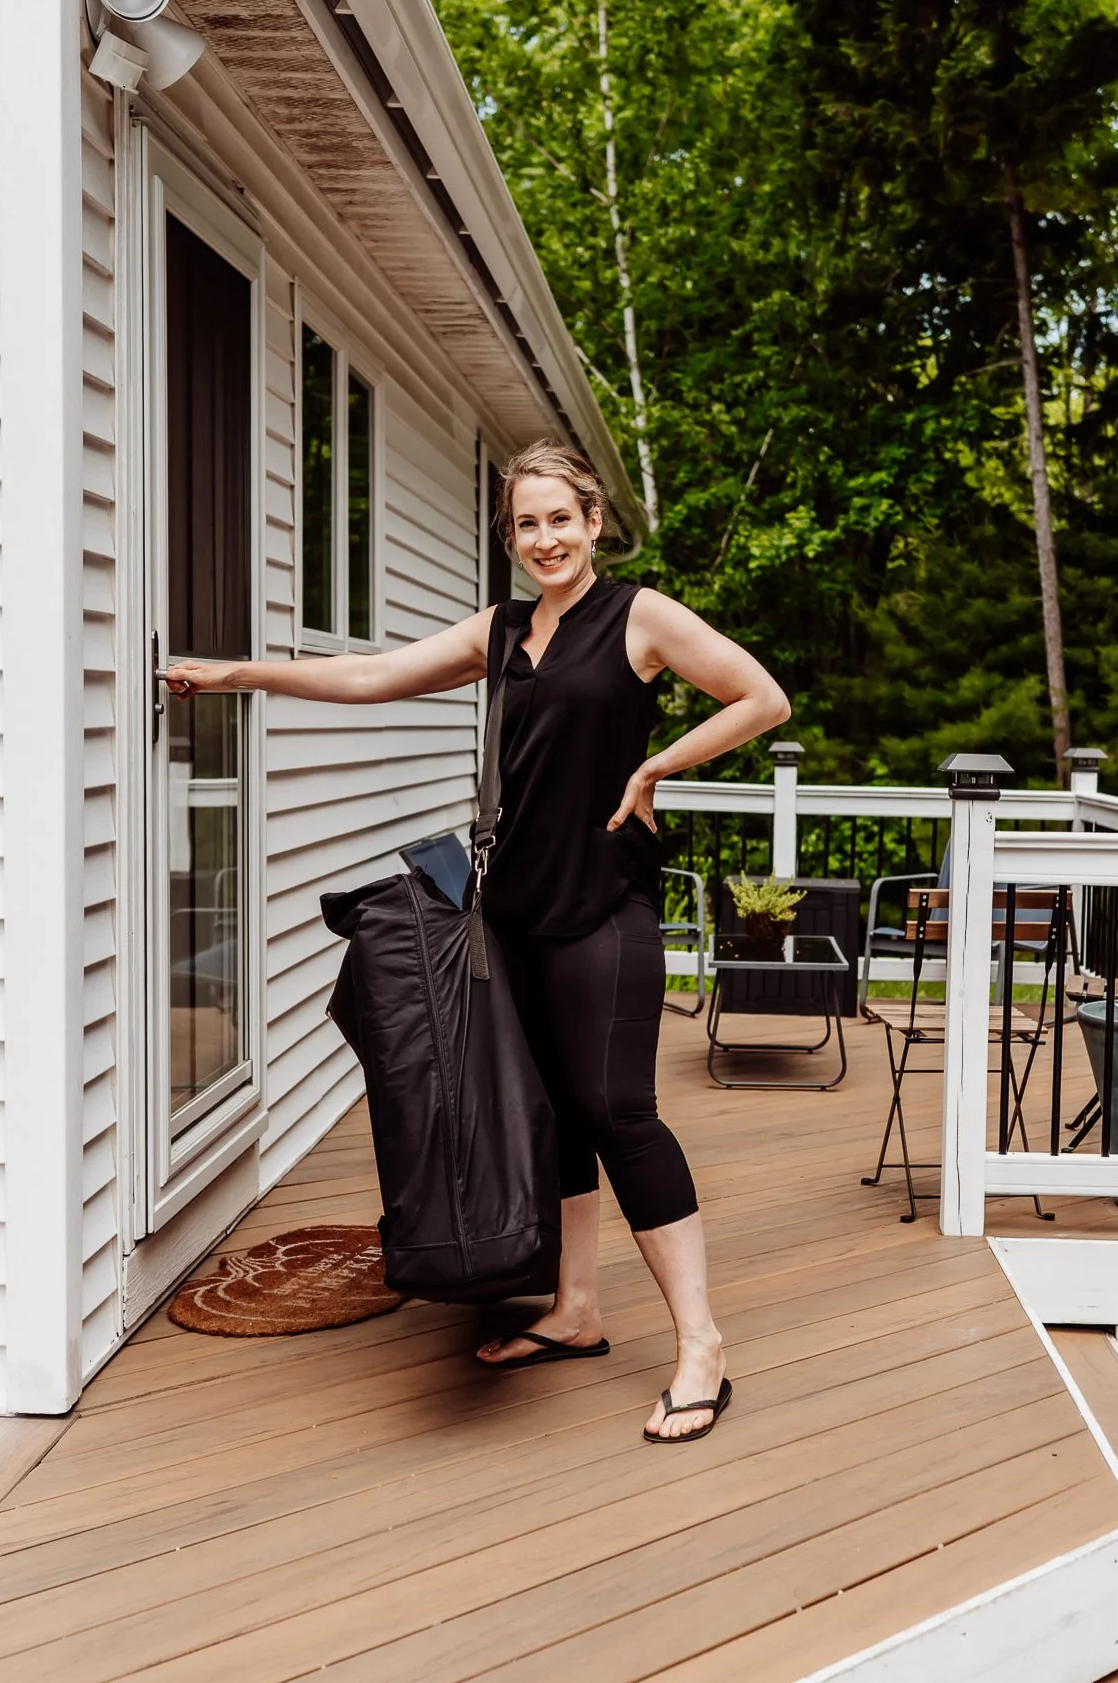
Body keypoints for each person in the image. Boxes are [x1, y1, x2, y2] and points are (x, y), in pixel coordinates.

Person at [165, 440, 789, 1440]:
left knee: (621, 1111)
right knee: (557, 1115)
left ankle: (701, 1345)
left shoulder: (641, 615)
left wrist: (655, 768)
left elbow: (762, 696)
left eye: (560, 518)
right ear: (513, 536)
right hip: (514, 913)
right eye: (526, 524)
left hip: (605, 907)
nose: (545, 538)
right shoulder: (502, 630)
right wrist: (238, 672)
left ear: (594, 521)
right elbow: (373, 675)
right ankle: (576, 1310)